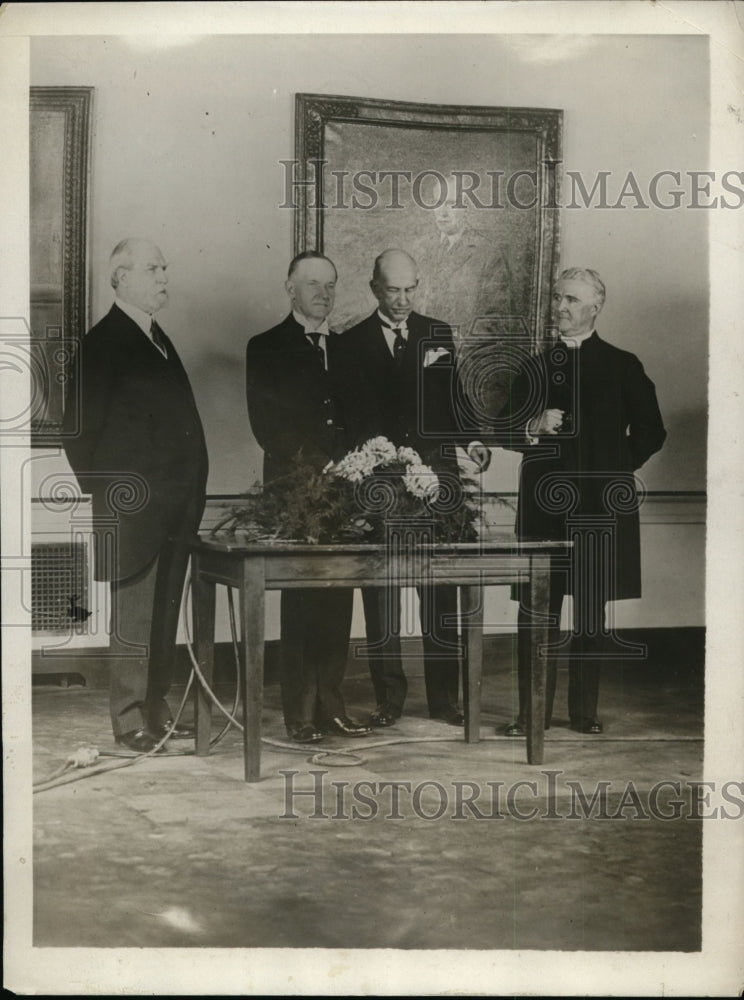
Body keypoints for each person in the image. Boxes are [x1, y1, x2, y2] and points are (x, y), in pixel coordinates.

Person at [491, 267, 666, 736]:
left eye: (571, 300)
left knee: (591, 615)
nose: (561, 308)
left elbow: (653, 431)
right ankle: (533, 715)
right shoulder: (535, 365)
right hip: (543, 509)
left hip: (598, 509)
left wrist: (613, 467)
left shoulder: (623, 364)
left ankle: (584, 713)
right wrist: (533, 425)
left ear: (595, 307)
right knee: (538, 613)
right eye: (557, 298)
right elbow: (502, 427)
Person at [63, 238, 208, 752]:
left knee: (163, 616)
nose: (165, 276)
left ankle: (157, 709)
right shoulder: (103, 342)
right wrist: (117, 501)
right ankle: (128, 721)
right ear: (120, 278)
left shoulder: (156, 337)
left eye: (165, 267)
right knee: (133, 621)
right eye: (153, 268)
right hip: (134, 514)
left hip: (174, 511)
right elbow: (77, 436)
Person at [338, 249, 490, 728]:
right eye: (392, 290)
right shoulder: (350, 342)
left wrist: (472, 438)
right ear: (374, 289)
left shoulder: (436, 333)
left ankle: (446, 700)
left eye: (410, 289)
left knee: (439, 589)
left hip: (438, 480)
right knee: (382, 590)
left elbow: (454, 399)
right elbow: (348, 420)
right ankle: (389, 698)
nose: (403, 299)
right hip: (380, 484)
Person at [245, 251, 371, 744]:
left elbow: (358, 418)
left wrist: (356, 465)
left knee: (338, 599)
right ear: (290, 289)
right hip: (295, 491)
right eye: (313, 284)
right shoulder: (266, 347)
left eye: (331, 285)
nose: (324, 293)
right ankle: (299, 712)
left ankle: (331, 705)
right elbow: (268, 426)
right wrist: (321, 463)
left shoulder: (346, 350)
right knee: (301, 601)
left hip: (344, 492)